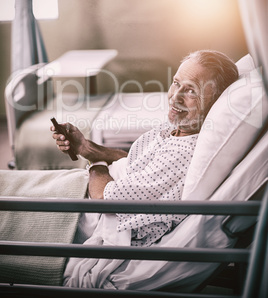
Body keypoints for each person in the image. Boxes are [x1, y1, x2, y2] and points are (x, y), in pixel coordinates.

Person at [51, 50, 239, 247]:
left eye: (191, 91)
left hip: (85, 217)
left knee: (19, 200)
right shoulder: (179, 129)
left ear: (216, 102)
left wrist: (96, 162)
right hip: (87, 187)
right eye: (176, 83)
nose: (175, 97)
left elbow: (104, 197)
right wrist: (85, 146)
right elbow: (135, 162)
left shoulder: (181, 156)